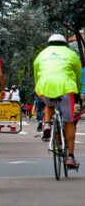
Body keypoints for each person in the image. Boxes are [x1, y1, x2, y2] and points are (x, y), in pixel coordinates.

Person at [34, 34, 82, 169]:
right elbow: (78, 76)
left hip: (45, 86)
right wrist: (77, 91)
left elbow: (37, 75)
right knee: (69, 121)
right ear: (64, 43)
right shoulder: (72, 54)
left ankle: (47, 124)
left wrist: (39, 90)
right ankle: (71, 157)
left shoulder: (41, 55)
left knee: (49, 105)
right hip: (67, 88)